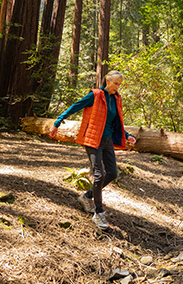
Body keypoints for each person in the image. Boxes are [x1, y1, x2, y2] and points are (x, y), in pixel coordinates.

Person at [50, 70, 137, 231]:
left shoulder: (116, 98)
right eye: (115, 83)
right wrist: (57, 122)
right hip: (92, 139)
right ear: (107, 80)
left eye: (119, 85)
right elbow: (75, 106)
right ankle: (99, 213)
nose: (117, 87)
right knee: (99, 175)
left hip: (107, 140)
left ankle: (86, 196)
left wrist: (127, 135)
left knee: (112, 173)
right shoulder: (95, 95)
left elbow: (115, 122)